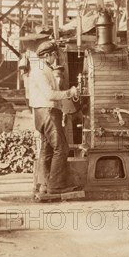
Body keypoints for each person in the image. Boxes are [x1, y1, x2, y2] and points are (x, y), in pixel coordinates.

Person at [27, 40, 78, 196]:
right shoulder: (40, 70)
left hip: (42, 112)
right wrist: (70, 92)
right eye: (55, 54)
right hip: (47, 112)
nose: (56, 57)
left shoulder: (43, 69)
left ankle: (44, 184)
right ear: (48, 55)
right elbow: (50, 94)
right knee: (61, 148)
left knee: (47, 149)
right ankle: (55, 186)